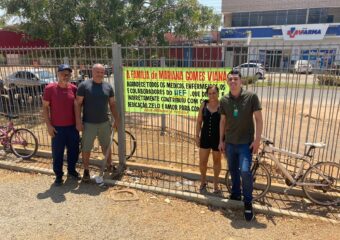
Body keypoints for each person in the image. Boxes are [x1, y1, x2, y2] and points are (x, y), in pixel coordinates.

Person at [218, 69, 263, 221]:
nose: (233, 81)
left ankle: (248, 202)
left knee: (245, 171)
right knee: (233, 170)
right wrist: (221, 140)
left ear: (241, 81)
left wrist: (257, 140)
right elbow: (223, 121)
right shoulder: (224, 100)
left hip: (245, 144)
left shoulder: (251, 97)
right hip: (230, 143)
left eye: (235, 79)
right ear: (227, 82)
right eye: (230, 79)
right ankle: (236, 193)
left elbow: (258, 119)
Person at [75, 63, 120, 182]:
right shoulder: (84, 86)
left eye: (102, 72)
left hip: (104, 123)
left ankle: (109, 165)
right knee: (86, 148)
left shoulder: (108, 87)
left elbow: (112, 104)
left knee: (107, 146)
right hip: (88, 124)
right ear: (92, 72)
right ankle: (86, 170)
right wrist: (78, 121)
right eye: (97, 72)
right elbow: (78, 104)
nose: (100, 74)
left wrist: (117, 119)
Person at [42, 64, 80, 186]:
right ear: (58, 74)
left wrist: (79, 123)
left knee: (73, 151)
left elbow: (78, 107)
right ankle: (58, 175)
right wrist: (49, 126)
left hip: (72, 127)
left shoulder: (74, 88)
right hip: (57, 128)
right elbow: (45, 108)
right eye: (63, 73)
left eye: (68, 74)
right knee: (57, 153)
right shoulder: (50, 88)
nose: (66, 76)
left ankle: (71, 170)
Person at [195, 85, 221, 195]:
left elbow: (226, 123)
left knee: (217, 161)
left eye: (214, 93)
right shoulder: (204, 104)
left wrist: (223, 140)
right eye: (209, 93)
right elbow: (199, 121)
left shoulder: (222, 105)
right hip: (205, 137)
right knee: (203, 162)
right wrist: (197, 136)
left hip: (218, 138)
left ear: (218, 93)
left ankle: (215, 184)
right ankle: (203, 182)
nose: (212, 95)